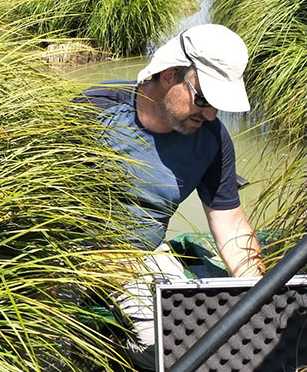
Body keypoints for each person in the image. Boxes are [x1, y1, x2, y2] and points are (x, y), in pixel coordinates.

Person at [72, 24, 265, 371]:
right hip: (68, 255)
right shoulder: (92, 110)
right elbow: (36, 208)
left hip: (144, 255)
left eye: (220, 106)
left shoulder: (212, 139)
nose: (210, 114)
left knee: (180, 343)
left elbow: (229, 222)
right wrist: (94, 263)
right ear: (170, 74)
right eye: (205, 99)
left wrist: (262, 293)